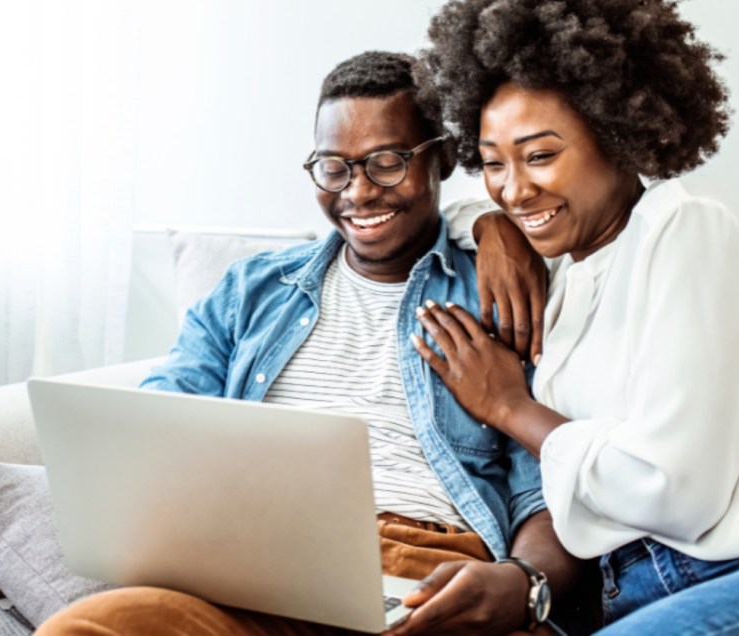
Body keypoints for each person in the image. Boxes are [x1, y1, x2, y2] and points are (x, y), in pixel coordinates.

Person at [36, 51, 596, 636]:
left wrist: (523, 580)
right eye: (333, 167)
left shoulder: (502, 292)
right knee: (84, 628)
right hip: (250, 567)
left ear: (445, 156)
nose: (358, 192)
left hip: (424, 572)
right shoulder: (249, 292)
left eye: (385, 162)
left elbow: (549, 486)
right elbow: (152, 429)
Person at [411, 0, 739, 634]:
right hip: (631, 594)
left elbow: (677, 492)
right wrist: (490, 226)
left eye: (541, 156)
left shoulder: (687, 226)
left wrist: (510, 407)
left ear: (617, 133)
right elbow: (454, 211)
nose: (515, 189)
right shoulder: (569, 270)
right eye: (492, 163)